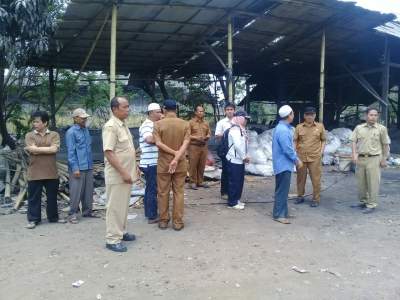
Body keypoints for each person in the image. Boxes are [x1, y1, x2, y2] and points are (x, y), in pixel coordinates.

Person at [102, 96, 138, 252]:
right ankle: (112, 239)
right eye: (125, 107)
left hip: (126, 174)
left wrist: (133, 169)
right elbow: (109, 153)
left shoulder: (123, 125)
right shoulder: (111, 126)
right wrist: (124, 172)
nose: (128, 109)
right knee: (115, 206)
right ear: (114, 109)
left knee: (123, 205)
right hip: (118, 175)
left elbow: (127, 151)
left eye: (128, 106)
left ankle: (121, 232)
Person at [24, 111, 66, 229]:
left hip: (51, 172)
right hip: (34, 172)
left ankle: (53, 217)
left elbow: (54, 150)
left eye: (37, 121)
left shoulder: (54, 134)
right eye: (34, 121)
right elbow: (32, 150)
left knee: (52, 197)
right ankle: (33, 220)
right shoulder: (29, 135)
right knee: (34, 198)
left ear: (45, 122)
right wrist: (47, 149)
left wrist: (38, 149)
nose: (34, 124)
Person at [153, 99, 190, 231]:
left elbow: (158, 143)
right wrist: (177, 156)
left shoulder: (157, 124)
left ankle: (163, 221)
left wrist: (173, 154)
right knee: (179, 192)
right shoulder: (185, 124)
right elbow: (186, 143)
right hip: (180, 164)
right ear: (176, 109)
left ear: (164, 109)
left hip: (164, 164)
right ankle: (177, 222)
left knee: (162, 192)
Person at [350, 107, 390, 214]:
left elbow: (386, 145)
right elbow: (353, 141)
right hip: (361, 158)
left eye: (375, 115)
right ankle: (363, 201)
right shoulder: (359, 128)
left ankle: (371, 204)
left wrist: (384, 159)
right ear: (366, 115)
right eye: (371, 115)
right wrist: (354, 154)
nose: (373, 117)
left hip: (374, 159)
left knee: (373, 183)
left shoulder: (381, 129)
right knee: (361, 183)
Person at [65, 108, 98, 224]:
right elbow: (71, 152)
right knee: (76, 191)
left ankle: (87, 211)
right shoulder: (71, 132)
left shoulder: (85, 130)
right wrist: (75, 168)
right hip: (78, 167)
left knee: (88, 190)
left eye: (85, 117)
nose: (85, 119)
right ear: (75, 118)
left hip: (88, 165)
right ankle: (72, 213)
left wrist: (91, 165)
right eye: (82, 117)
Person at [272, 105, 303, 224]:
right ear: (289, 115)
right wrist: (296, 160)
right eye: (293, 113)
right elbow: (287, 149)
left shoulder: (282, 128)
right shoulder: (283, 130)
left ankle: (283, 212)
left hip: (282, 164)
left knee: (283, 190)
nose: (293, 115)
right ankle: (279, 214)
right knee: (282, 190)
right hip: (283, 164)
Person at [294, 107, 326, 207]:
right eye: (307, 114)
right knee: (300, 178)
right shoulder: (299, 127)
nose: (309, 116)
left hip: (315, 157)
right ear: (304, 116)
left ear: (315, 115)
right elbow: (295, 140)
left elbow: (323, 140)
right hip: (301, 157)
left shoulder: (320, 127)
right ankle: (300, 196)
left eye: (311, 115)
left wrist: (321, 152)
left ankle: (316, 199)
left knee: (316, 179)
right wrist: (294, 153)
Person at [139, 103, 163, 224]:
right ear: (151, 113)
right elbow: (148, 139)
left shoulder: (155, 124)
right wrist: (160, 140)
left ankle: (151, 212)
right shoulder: (146, 125)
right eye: (158, 112)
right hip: (150, 163)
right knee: (152, 189)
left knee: (152, 188)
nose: (161, 114)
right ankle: (151, 215)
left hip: (154, 162)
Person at [226, 111, 251, 210]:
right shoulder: (235, 129)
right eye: (245, 118)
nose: (246, 121)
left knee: (239, 181)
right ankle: (232, 202)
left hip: (239, 159)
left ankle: (236, 199)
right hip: (234, 159)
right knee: (234, 181)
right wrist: (244, 157)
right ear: (239, 118)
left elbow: (244, 144)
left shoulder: (241, 129)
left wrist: (245, 156)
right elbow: (237, 145)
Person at [215, 103, 235, 200]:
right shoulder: (221, 123)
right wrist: (228, 134)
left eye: (231, 109)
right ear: (225, 111)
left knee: (234, 171)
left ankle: (233, 191)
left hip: (236, 150)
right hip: (225, 150)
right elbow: (217, 136)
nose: (229, 111)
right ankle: (224, 192)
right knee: (226, 171)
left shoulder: (237, 121)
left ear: (234, 110)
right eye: (227, 109)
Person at [188, 104, 211, 190]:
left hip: (204, 146)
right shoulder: (190, 123)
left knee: (202, 165)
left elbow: (209, 133)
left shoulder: (206, 123)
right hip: (193, 146)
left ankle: (200, 182)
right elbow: (187, 135)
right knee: (193, 164)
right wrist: (196, 137)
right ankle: (192, 182)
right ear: (195, 112)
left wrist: (208, 136)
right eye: (200, 111)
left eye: (202, 111)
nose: (201, 113)